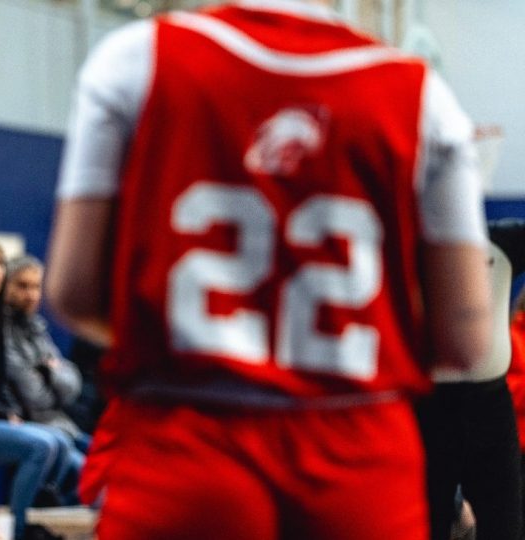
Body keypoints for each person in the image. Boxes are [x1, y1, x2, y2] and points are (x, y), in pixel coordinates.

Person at [46, 1, 492, 539]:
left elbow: (73, 293)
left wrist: (205, 345)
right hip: (358, 447)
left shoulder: (135, 58)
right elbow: (465, 343)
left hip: (184, 435)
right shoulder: (423, 96)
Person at [416, 218, 525, 540]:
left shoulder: (505, 238)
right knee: (427, 523)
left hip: (491, 405)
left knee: (506, 526)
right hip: (430, 404)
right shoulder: (408, 236)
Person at [0, 240, 69, 540]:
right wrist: (4, 413)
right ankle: (18, 530)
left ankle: (36, 520)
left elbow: (0, 379)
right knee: (42, 445)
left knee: (61, 441)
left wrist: (10, 411)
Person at [3, 255, 90, 458]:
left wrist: (49, 373)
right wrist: (55, 378)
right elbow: (34, 397)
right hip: (36, 426)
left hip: (62, 425)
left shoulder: (36, 327)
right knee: (84, 468)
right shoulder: (1, 332)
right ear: (4, 287)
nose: (31, 295)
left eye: (36, 287)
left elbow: (73, 384)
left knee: (107, 459)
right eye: (22, 286)